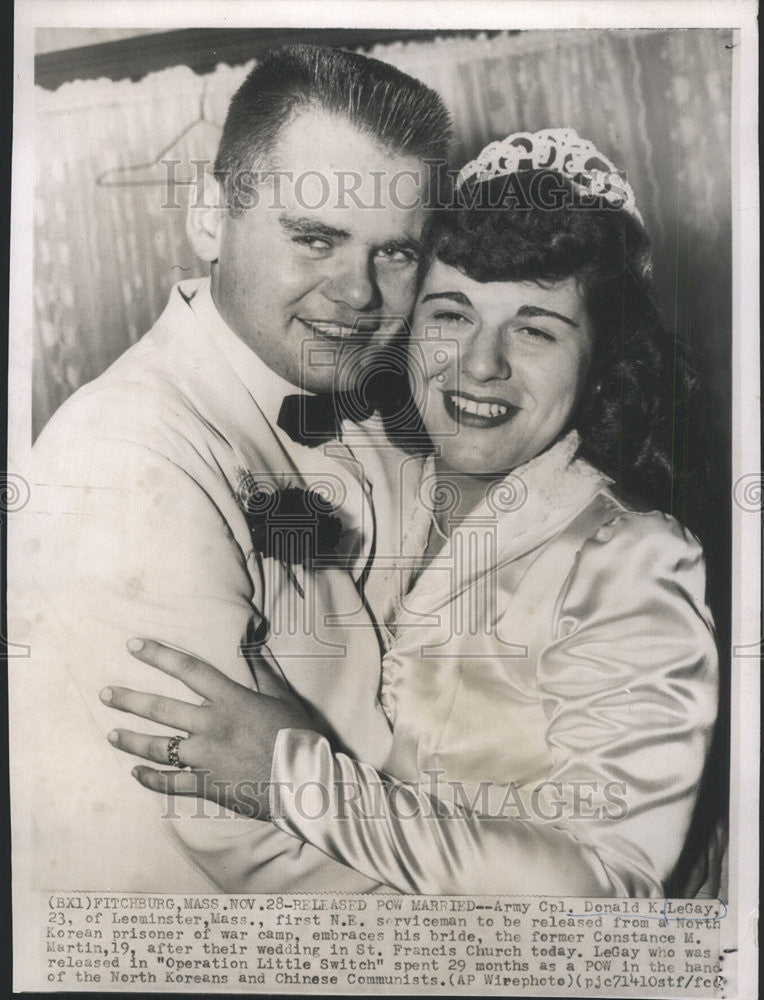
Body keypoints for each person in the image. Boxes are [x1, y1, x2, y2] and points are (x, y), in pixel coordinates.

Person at [102, 129, 719, 896]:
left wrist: (298, 781)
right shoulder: (369, 477)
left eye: (535, 330)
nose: (481, 364)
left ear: (601, 364)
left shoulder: (633, 558)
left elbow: (611, 891)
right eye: (452, 316)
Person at [11, 44, 450, 891]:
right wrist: (572, 887)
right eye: (315, 238)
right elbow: (279, 863)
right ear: (210, 218)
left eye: (394, 253)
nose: (359, 295)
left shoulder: (374, 403)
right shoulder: (121, 458)